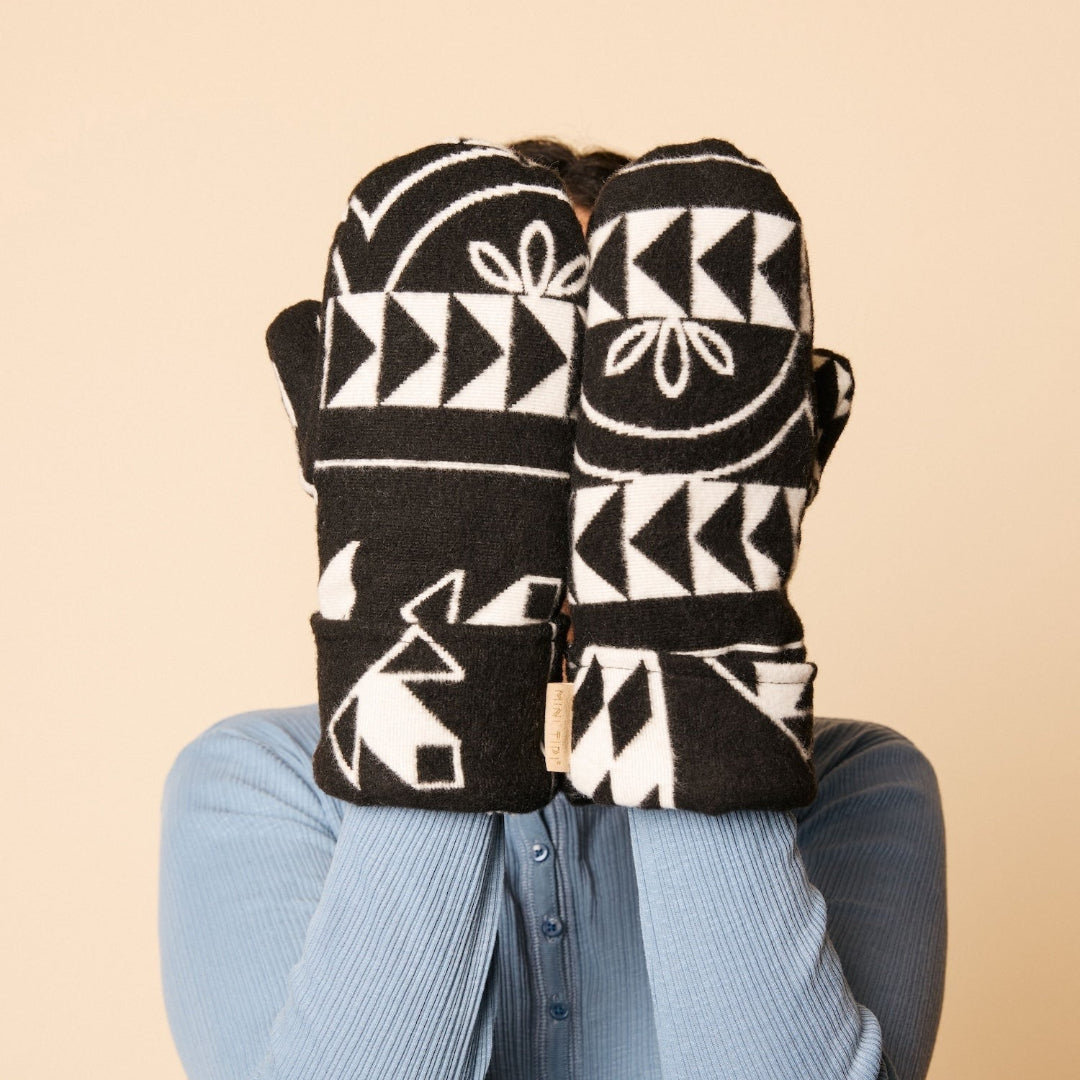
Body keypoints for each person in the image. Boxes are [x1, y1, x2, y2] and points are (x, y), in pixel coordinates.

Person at [158, 138, 947, 1080]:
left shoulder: (857, 781)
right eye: (519, 427)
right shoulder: (257, 777)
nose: (576, 492)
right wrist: (442, 659)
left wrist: (685, 661)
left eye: (626, 430)